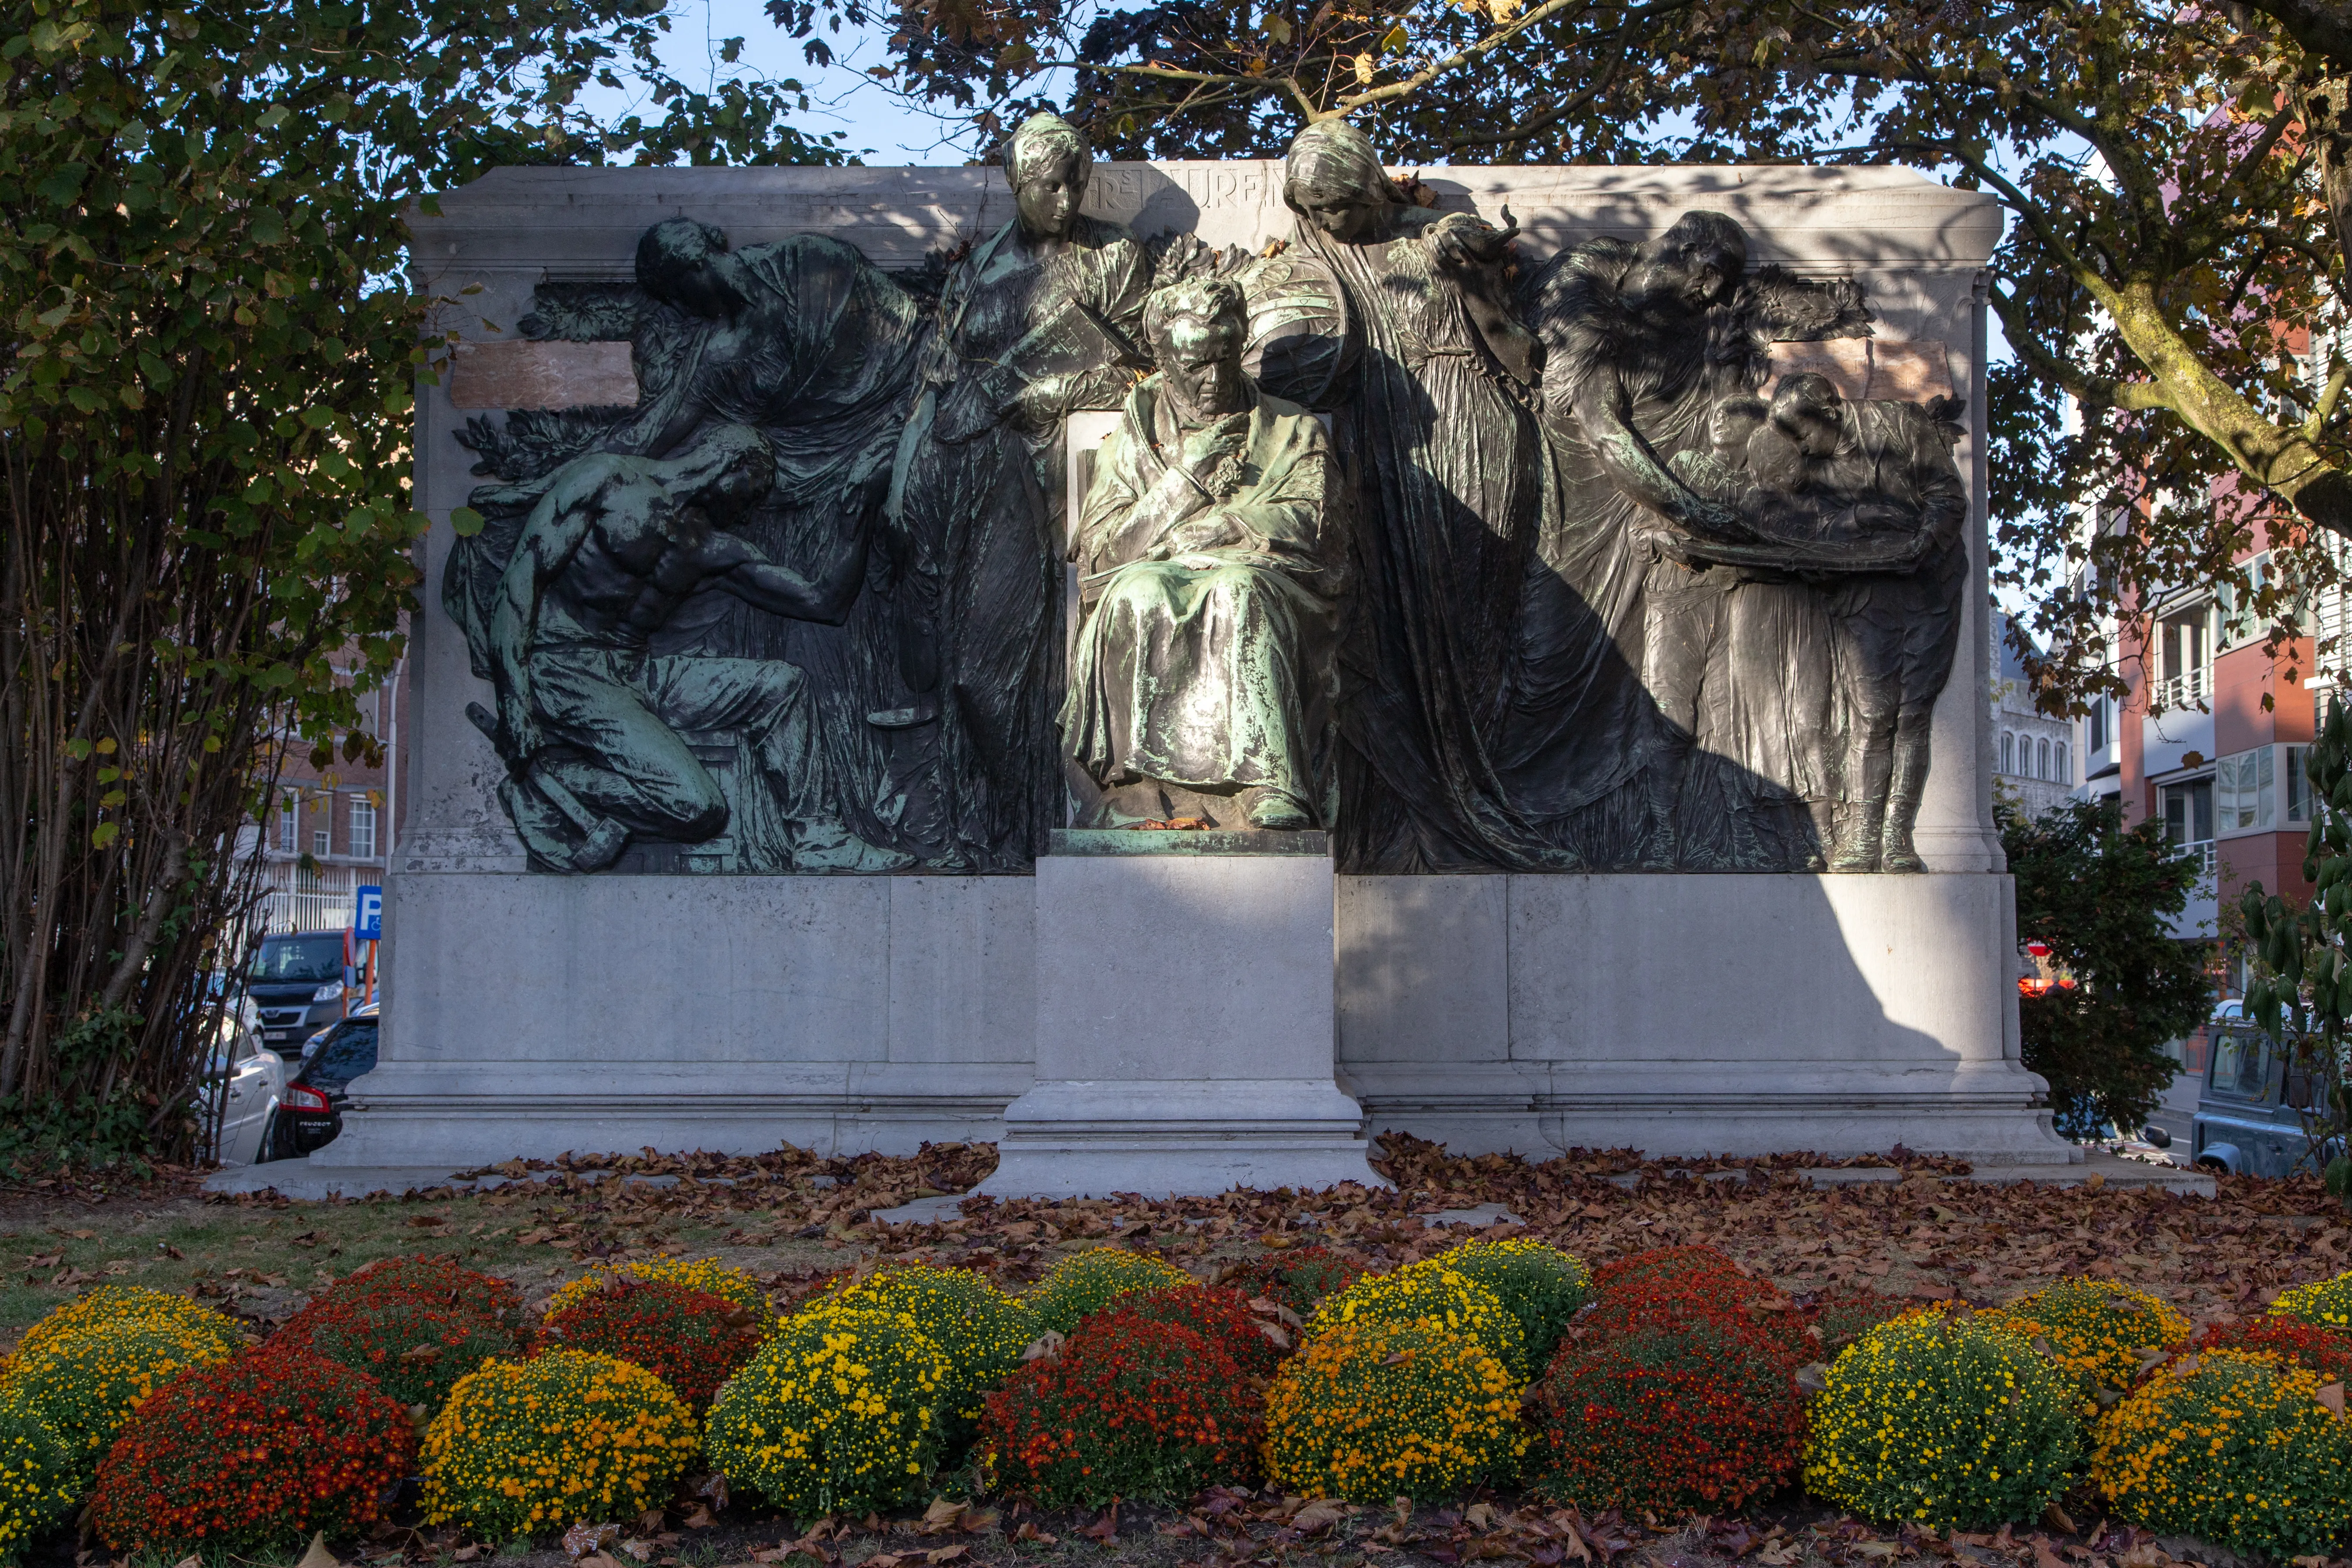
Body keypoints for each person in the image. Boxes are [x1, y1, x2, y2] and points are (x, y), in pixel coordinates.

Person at [1279, 119, 1554, 872]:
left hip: (1470, 427)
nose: (1327, 222)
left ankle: (1474, 801)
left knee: (1470, 623)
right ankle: (1402, 822)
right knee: (1379, 634)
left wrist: (1471, 266)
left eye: (1337, 203)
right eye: (1312, 210)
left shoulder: (1435, 243)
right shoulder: (1312, 264)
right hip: (1376, 446)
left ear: (1372, 183)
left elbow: (1516, 351)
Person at [880, 112, 1153, 870]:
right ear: (1013, 184)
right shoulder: (976, 270)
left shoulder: (1113, 262)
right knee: (964, 673)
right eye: (1047, 187)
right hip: (969, 482)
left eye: (1075, 184)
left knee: (1026, 673)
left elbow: (1150, 377)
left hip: (1062, 483)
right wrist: (904, 477)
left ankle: (1050, 821)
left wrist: (1045, 392)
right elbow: (933, 385)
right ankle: (998, 825)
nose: (1065, 202)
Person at [485, 425, 909, 874]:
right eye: (755, 491)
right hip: (564, 668)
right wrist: (514, 703)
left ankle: (821, 838)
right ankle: (549, 782)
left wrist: (859, 509)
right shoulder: (606, 480)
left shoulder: (710, 549)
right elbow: (519, 583)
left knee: (782, 685)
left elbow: (822, 603)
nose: (749, 511)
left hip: (635, 671)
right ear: (733, 465)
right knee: (697, 807)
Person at [1503, 210, 1757, 869]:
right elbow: (1604, 430)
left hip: (1645, 529)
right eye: (1712, 279)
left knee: (1644, 677)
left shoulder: (1686, 324)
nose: (1710, 296)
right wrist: (1692, 511)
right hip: (1570, 508)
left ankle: (1636, 821)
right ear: (1695, 263)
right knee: (1544, 659)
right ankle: (1515, 808)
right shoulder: (1585, 287)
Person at [1062, 277, 1342, 830]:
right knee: (1137, 594)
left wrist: (1225, 527)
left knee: (1239, 593)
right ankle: (1142, 789)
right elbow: (1100, 555)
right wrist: (1183, 481)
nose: (1214, 379)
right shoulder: (1133, 438)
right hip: (1155, 574)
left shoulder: (1294, 429)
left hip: (1264, 576)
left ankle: (1269, 781)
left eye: (1225, 358)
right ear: (1163, 357)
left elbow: (1317, 522)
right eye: (1195, 364)